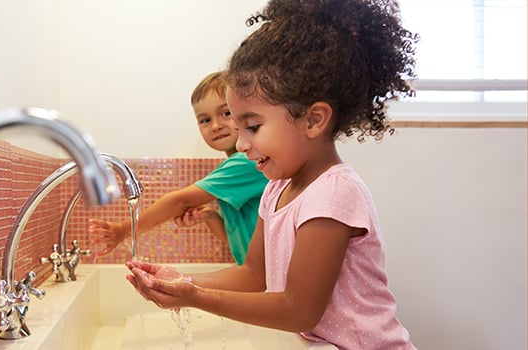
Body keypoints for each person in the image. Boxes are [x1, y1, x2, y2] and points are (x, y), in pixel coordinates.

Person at [126, 0, 419, 349]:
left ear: (312, 120)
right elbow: (253, 274)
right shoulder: (275, 188)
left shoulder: (334, 193)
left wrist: (194, 296)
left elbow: (298, 310)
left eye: (252, 126)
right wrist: (182, 280)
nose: (242, 142)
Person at [88, 71, 269, 265]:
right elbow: (238, 246)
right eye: (205, 120)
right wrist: (211, 217)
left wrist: (123, 230)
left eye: (226, 113)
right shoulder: (239, 166)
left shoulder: (245, 162)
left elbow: (180, 201)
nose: (215, 125)